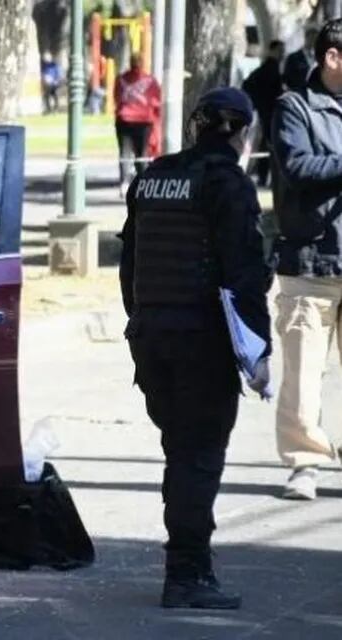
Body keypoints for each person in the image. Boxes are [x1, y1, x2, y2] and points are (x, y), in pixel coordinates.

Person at [120, 87, 273, 610]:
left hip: (151, 337)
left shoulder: (154, 175)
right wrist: (257, 352)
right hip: (200, 342)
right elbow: (244, 274)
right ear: (241, 133)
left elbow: (130, 263)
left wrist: (139, 321)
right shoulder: (226, 183)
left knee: (180, 451)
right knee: (197, 456)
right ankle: (187, 574)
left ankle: (187, 566)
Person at [270, 18, 342, 501]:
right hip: (311, 262)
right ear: (332, 58)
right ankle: (305, 462)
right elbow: (297, 167)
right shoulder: (293, 108)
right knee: (301, 375)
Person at [114, 54, 161, 198]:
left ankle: (124, 183)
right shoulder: (150, 81)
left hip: (124, 120)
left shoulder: (121, 79)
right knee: (142, 154)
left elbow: (117, 98)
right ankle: (143, 184)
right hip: (143, 121)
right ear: (142, 63)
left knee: (124, 153)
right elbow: (156, 102)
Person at [242, 40, 286, 186]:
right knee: (267, 145)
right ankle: (264, 176)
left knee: (264, 145)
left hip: (264, 113)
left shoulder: (270, 68)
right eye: (280, 50)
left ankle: (263, 176)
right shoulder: (270, 69)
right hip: (267, 114)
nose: (282, 54)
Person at [284, 24, 319, 93]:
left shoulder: (318, 57)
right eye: (312, 38)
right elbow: (288, 79)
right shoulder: (293, 58)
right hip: (300, 94)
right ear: (306, 37)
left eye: (316, 39)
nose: (313, 41)